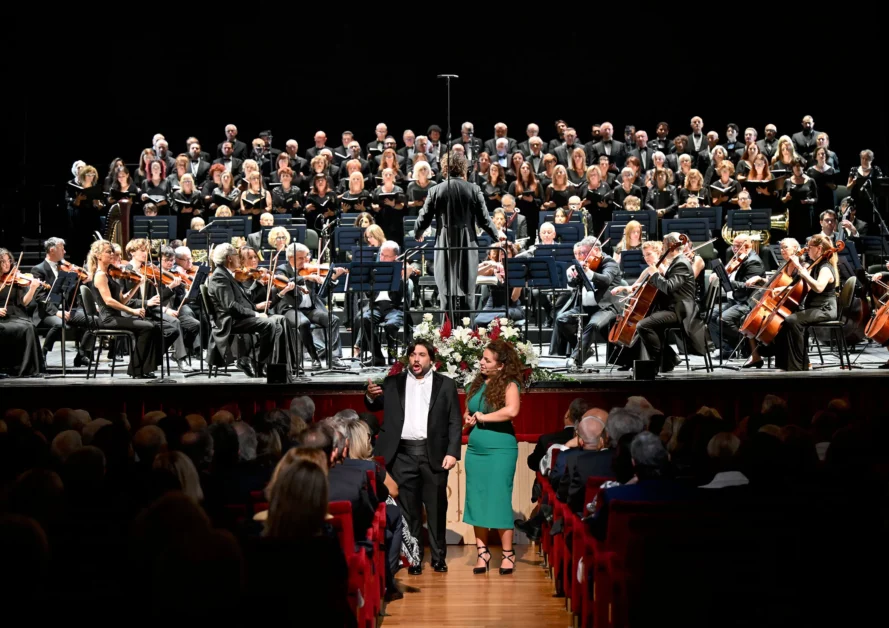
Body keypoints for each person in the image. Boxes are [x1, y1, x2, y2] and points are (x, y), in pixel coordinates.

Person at [365, 339, 462, 575]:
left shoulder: (446, 385)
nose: (416, 359)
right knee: (410, 512)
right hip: (403, 455)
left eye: (421, 354)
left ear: (431, 359)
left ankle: (439, 558)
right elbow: (375, 404)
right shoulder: (392, 383)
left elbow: (454, 421)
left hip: (434, 456)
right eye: (412, 355)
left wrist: (452, 452)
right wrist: (369, 395)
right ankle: (414, 557)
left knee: (437, 509)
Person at [414, 152, 505, 319]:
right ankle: (468, 337)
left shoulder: (435, 190)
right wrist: (497, 237)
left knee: (446, 297)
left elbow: (422, 221)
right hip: (467, 245)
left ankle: (446, 336)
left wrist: (418, 233)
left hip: (444, 244)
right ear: (464, 168)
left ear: (445, 169)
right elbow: (484, 220)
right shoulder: (474, 189)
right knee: (468, 295)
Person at [463, 338, 523, 575]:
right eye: (482, 358)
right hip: (476, 450)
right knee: (476, 498)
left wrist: (482, 417)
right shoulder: (475, 385)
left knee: (498, 499)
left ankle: (507, 554)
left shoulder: (510, 384)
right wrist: (468, 421)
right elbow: (468, 414)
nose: (481, 363)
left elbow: (511, 411)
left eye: (487, 360)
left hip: (501, 450)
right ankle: (482, 553)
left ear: (500, 366)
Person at [205, 243, 286, 378]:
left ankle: (257, 361)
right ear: (229, 258)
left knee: (278, 322)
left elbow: (242, 299)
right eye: (237, 255)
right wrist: (256, 313)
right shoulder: (220, 277)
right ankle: (260, 365)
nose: (239, 259)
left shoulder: (228, 275)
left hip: (238, 317)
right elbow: (230, 306)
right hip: (230, 320)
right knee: (269, 324)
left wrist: (256, 305)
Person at [86, 240, 162, 378]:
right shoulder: (100, 275)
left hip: (116, 317)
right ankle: (137, 369)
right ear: (98, 255)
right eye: (108, 252)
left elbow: (122, 300)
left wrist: (137, 285)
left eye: (111, 252)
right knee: (148, 327)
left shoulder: (109, 273)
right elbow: (109, 301)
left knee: (153, 326)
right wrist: (132, 311)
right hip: (109, 319)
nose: (112, 254)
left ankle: (143, 368)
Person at [635, 232, 707, 371]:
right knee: (651, 323)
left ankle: (656, 363)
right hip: (674, 307)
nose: (662, 249)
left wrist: (655, 273)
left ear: (671, 247)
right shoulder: (677, 262)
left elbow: (668, 287)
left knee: (643, 326)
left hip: (680, 311)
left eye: (663, 246)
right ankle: (668, 360)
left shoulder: (681, 263)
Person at [774, 233, 838, 371]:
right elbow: (803, 286)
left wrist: (804, 273)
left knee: (793, 320)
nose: (807, 250)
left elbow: (819, 287)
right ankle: (784, 363)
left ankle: (799, 364)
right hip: (815, 308)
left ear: (819, 249)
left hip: (825, 309)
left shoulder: (825, 267)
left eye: (810, 247)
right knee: (785, 320)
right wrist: (783, 288)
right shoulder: (816, 265)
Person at [708, 234, 764, 360]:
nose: (735, 249)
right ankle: (726, 348)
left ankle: (745, 343)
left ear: (748, 246)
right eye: (734, 245)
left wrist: (724, 280)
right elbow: (727, 273)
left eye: (738, 246)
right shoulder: (739, 257)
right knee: (711, 316)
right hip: (735, 300)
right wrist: (716, 274)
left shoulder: (753, 262)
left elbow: (746, 286)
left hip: (747, 301)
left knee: (723, 319)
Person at [0, 248, 45, 377]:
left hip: (15, 314)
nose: (7, 265)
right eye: (3, 262)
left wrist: (32, 288)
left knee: (29, 327)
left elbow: (24, 302)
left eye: (8, 261)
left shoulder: (15, 278)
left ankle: (29, 370)